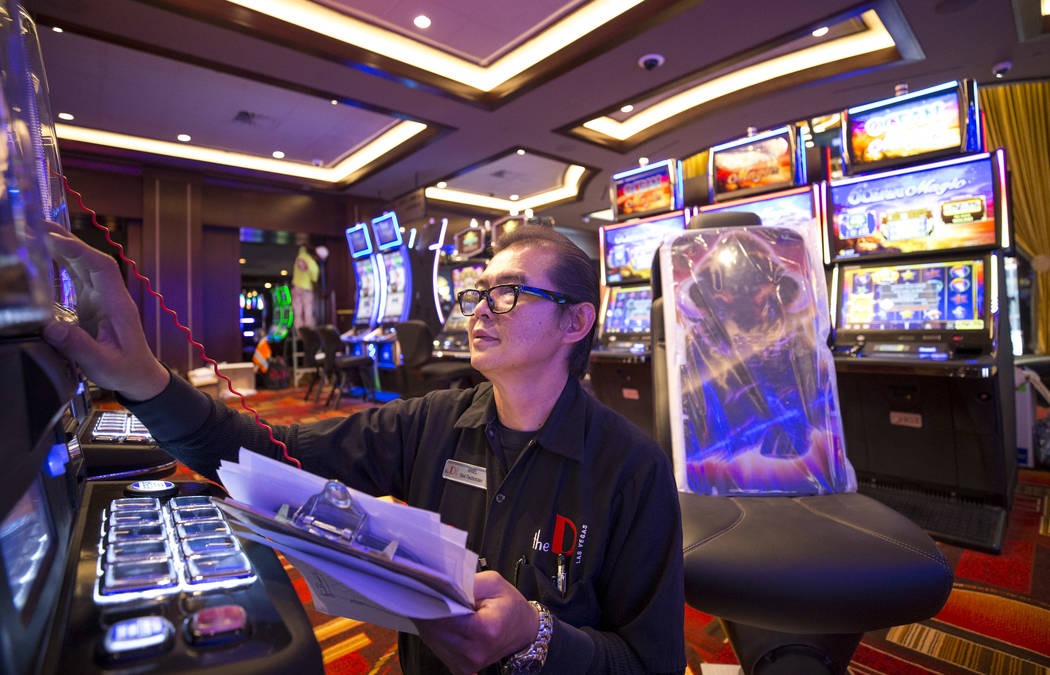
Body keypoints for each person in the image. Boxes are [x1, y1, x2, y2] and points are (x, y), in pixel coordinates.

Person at [42, 221, 686, 675]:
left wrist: (538, 638)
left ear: (576, 321)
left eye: (507, 292)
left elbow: (652, 663)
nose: (478, 311)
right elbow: (265, 456)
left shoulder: (633, 468)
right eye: (475, 294)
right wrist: (144, 380)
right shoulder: (430, 422)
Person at [291, 244, 319, 331]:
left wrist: (309, 246)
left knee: (297, 314)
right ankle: (308, 335)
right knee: (308, 313)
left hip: (296, 288)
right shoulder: (314, 265)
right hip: (306, 289)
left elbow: (303, 246)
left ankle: (299, 334)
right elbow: (314, 281)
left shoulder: (301, 255)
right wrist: (320, 292)